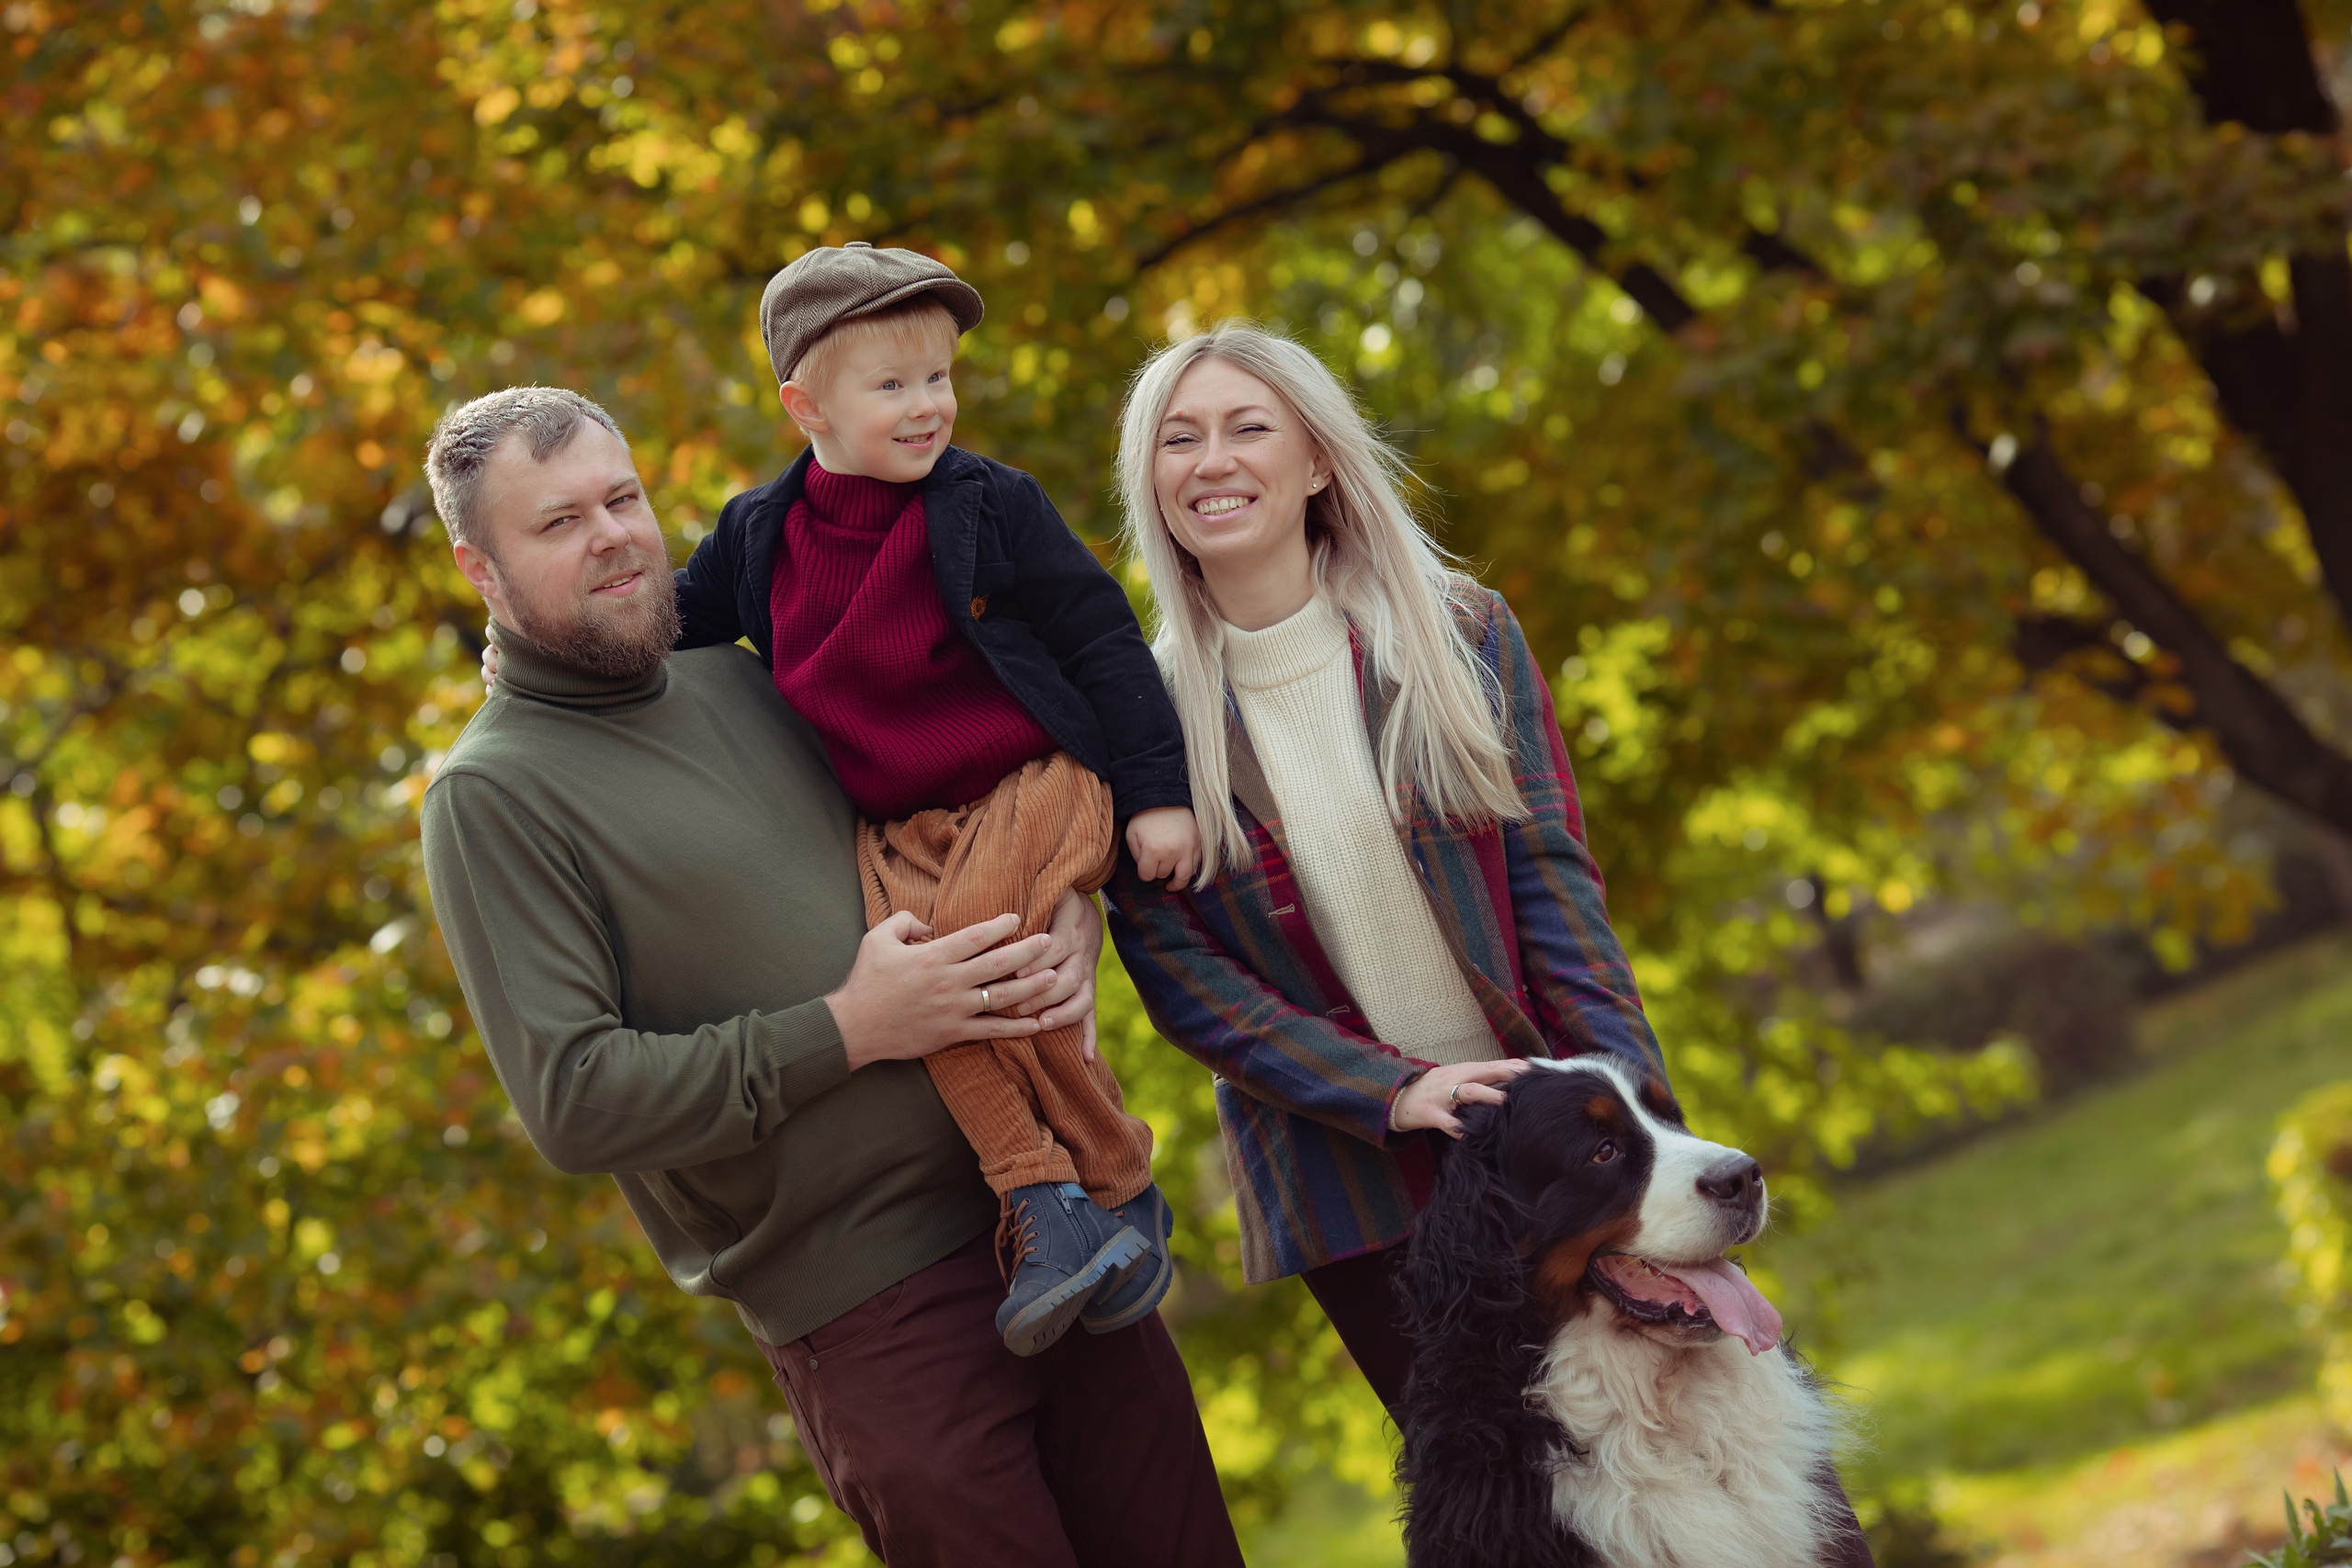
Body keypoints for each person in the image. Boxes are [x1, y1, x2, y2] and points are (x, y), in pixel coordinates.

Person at [420, 386, 1243, 1568]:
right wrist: (851, 1027)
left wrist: (1066, 906)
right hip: (870, 1310)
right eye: (557, 523)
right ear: (479, 565)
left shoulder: (749, 677)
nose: (611, 536)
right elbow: (576, 1098)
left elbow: (951, 817)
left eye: (623, 498)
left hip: (1056, 1218)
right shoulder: (492, 796)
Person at [660, 242, 1198, 1355]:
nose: (928, 406)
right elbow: (675, 624)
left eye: (941, 378)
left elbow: (1100, 637)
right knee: (911, 982)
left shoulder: (988, 505)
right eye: (892, 385)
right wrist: (537, 652)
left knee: (961, 958)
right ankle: (1061, 1207)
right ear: (806, 405)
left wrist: (1156, 793)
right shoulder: (762, 533)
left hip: (1032, 782)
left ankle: (1095, 1178)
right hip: (902, 824)